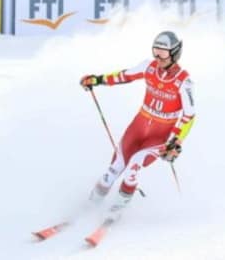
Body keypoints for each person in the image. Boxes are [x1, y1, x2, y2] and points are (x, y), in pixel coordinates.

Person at [79, 31, 196, 220]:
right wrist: (97, 79)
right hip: (138, 127)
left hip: (159, 138)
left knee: (133, 167)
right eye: (155, 51)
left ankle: (118, 208)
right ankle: (89, 205)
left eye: (163, 53)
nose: (157, 56)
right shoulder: (148, 67)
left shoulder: (184, 81)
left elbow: (189, 116)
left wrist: (176, 141)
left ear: (174, 53)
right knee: (114, 169)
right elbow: (123, 76)